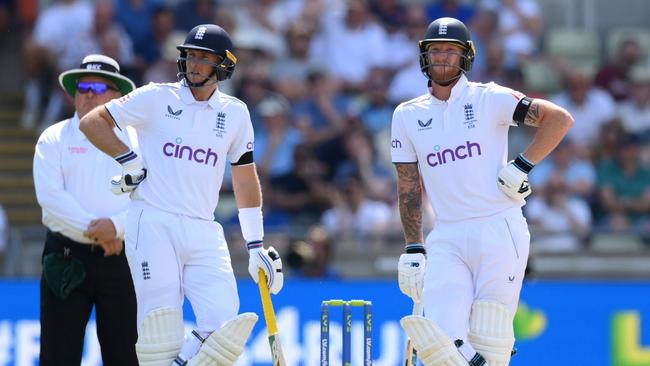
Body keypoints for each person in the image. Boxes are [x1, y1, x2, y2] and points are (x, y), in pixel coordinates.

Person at [79, 24, 284, 365]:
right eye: (190, 55)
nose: (193, 63)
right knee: (161, 325)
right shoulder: (156, 97)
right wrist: (129, 159)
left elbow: (245, 177)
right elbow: (92, 122)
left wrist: (255, 245)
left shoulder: (235, 113)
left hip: (203, 227)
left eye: (204, 58)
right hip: (153, 221)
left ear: (224, 64)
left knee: (223, 319)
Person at [393, 17, 573, 366]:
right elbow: (408, 186)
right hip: (446, 233)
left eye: (451, 51)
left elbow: (559, 119)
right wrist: (413, 246)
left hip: (499, 228)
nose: (442, 58)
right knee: (440, 342)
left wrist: (522, 165)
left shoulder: (490, 98)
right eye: (435, 51)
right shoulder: (407, 114)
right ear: (424, 57)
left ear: (466, 57)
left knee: (490, 342)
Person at [33, 54, 138, 365]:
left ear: (118, 95)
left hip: (122, 258)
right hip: (66, 258)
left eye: (98, 86)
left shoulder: (138, 140)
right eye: (82, 86)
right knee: (57, 355)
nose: (89, 93)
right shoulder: (54, 138)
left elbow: (151, 197)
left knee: (125, 355)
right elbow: (51, 199)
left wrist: (117, 228)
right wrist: (104, 231)